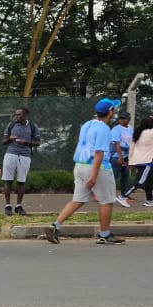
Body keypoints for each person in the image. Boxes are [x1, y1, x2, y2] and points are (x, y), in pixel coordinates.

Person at [45, 99, 124, 245]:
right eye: (114, 109)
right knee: (107, 201)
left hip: (80, 165)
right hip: (97, 167)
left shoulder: (87, 124)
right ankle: (105, 234)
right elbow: (99, 152)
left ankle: (55, 226)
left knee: (78, 199)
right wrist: (94, 176)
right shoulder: (104, 129)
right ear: (110, 112)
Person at [0, 108, 39, 215]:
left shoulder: (32, 126)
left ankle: (18, 206)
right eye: (15, 114)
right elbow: (4, 141)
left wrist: (26, 143)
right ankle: (8, 206)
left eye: (18, 115)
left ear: (25, 115)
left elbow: (38, 143)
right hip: (10, 154)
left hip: (25, 156)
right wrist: (10, 139)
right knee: (8, 180)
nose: (16, 116)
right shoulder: (11, 125)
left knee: (22, 181)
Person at [121, 116, 153, 206]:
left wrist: (131, 161)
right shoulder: (151, 132)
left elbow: (132, 148)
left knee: (149, 180)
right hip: (147, 162)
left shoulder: (137, 132)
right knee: (141, 181)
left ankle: (149, 200)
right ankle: (124, 196)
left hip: (138, 160)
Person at [112, 112, 133, 206]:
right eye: (120, 118)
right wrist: (120, 157)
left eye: (124, 118)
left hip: (126, 156)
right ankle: (108, 195)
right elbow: (117, 144)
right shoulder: (116, 129)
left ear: (128, 120)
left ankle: (124, 195)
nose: (121, 120)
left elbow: (132, 142)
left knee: (125, 176)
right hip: (117, 156)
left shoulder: (130, 129)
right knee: (114, 176)